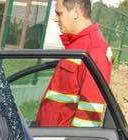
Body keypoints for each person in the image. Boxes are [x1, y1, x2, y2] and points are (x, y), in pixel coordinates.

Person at [36, 0, 113, 128]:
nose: (55, 19)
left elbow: (88, 115)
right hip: (49, 134)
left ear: (76, 13)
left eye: (59, 13)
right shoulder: (77, 45)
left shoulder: (95, 49)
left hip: (60, 138)